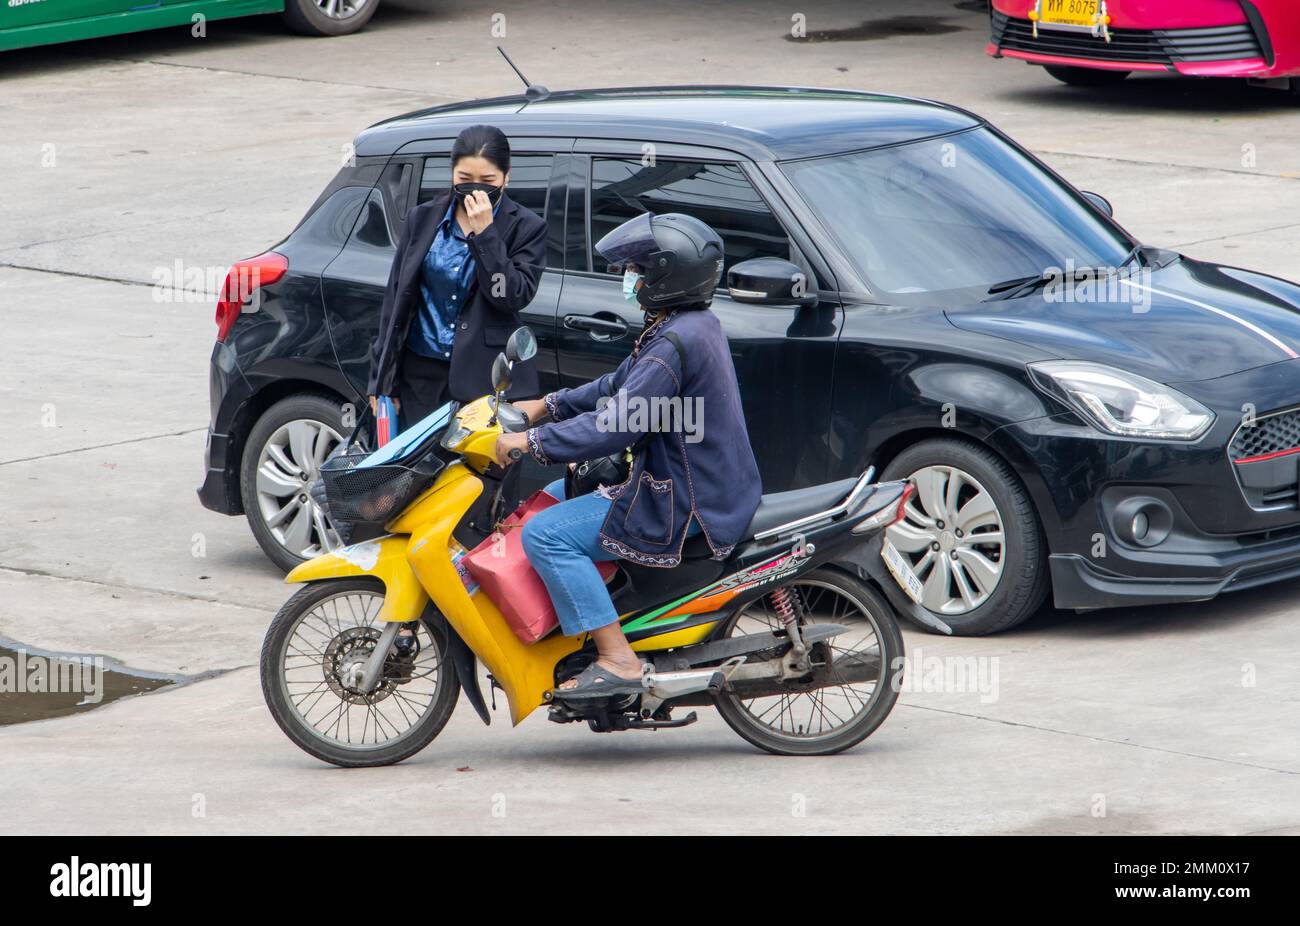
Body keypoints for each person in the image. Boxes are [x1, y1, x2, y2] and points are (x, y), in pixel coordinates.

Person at [497, 212, 762, 696]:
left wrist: (532, 442)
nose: (631, 279)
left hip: (684, 502)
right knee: (555, 497)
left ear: (666, 275)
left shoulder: (673, 343)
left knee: (544, 535)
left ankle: (616, 657)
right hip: (706, 483)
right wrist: (546, 405)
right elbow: (618, 386)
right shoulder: (689, 326)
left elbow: (616, 425)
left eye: (639, 270)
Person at [367, 124, 546, 433]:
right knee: (418, 476)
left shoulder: (527, 227)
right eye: (464, 179)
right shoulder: (423, 218)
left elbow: (511, 296)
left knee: (476, 479)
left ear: (506, 176)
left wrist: (486, 234)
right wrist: (381, 380)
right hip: (420, 379)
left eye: (487, 181)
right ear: (452, 174)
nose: (475, 189)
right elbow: (396, 299)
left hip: (486, 382)